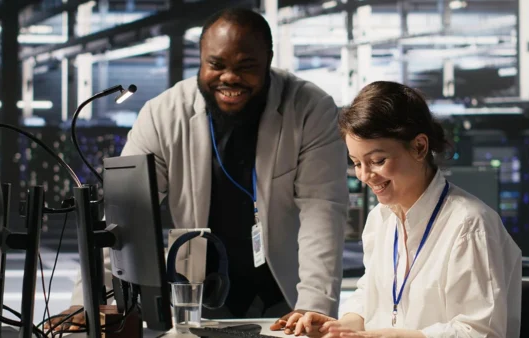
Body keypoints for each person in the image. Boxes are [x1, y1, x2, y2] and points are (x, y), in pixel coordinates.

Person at [46, 7, 348, 331]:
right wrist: (87, 301)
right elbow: (124, 216)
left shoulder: (310, 109)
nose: (229, 77)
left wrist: (315, 305)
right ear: (201, 59)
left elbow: (323, 211)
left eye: (246, 66)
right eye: (216, 65)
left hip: (286, 294)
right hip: (196, 293)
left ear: (268, 60)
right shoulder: (162, 114)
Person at [280, 81, 522, 338]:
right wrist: (342, 326)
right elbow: (370, 295)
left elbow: (480, 333)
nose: (364, 176)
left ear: (419, 147)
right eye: (356, 163)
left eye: (377, 161)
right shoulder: (380, 219)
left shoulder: (470, 225)